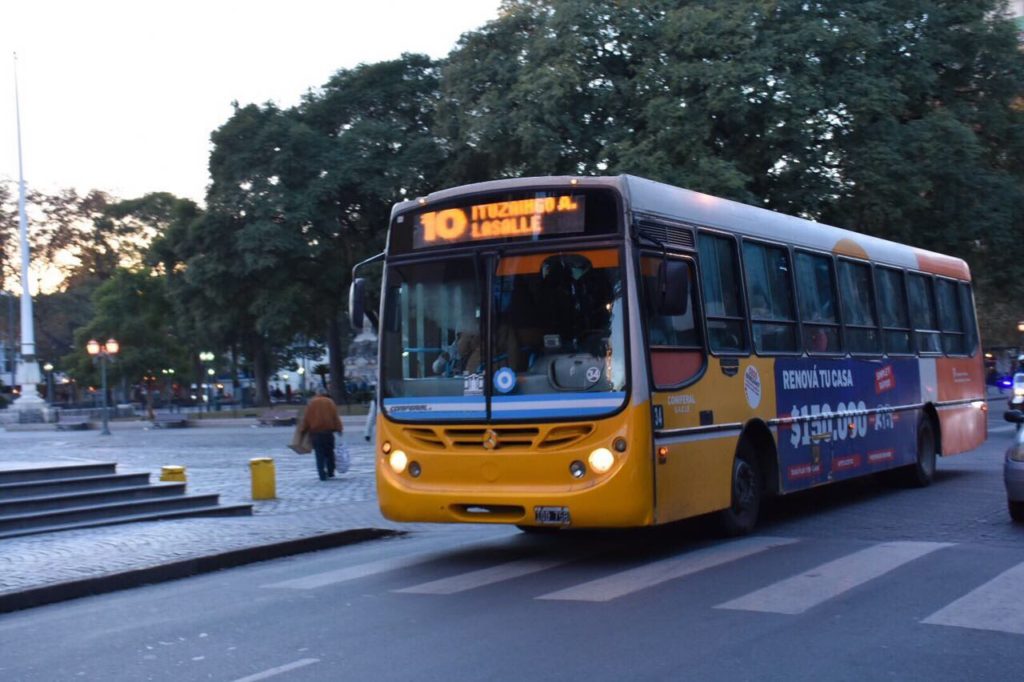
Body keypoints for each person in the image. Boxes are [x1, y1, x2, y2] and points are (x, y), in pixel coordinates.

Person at [298, 387, 343, 481]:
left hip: (316, 433)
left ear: (316, 393)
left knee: (319, 454)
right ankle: (331, 472)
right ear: (325, 393)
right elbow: (335, 417)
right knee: (329, 453)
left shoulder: (311, 403)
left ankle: (321, 474)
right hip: (328, 432)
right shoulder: (330, 402)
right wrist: (339, 429)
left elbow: (307, 418)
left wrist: (302, 430)